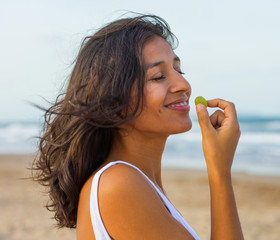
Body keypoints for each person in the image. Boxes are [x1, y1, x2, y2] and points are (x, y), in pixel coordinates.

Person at [33, 14, 244, 240]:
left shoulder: (139, 183)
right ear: (113, 99)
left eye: (179, 70)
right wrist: (219, 170)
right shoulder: (119, 185)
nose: (183, 85)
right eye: (159, 76)